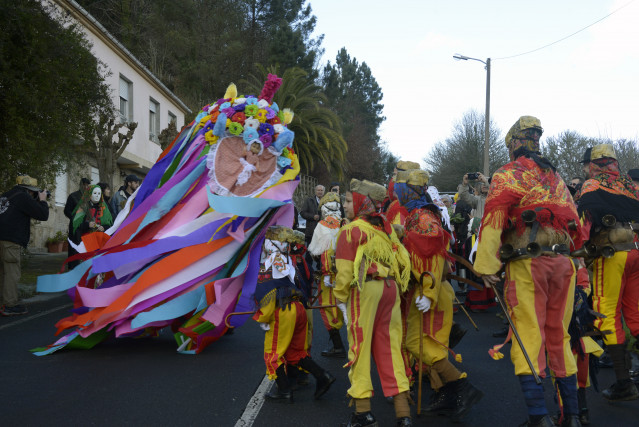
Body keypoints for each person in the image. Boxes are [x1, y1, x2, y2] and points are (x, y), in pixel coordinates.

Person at [474, 116, 585, 427]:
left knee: (528, 335)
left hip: (529, 262)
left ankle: (539, 417)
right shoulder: (555, 176)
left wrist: (485, 265)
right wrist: (578, 264)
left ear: (513, 143)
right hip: (564, 262)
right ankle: (572, 416)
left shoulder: (508, 173)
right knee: (559, 336)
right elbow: (574, 221)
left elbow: (494, 216)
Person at [395, 169, 482, 423]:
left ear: (410, 190)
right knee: (423, 346)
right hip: (423, 291)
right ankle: (445, 393)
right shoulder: (417, 215)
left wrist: (428, 292)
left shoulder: (424, 217)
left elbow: (433, 256)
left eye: (401, 187)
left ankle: (460, 387)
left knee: (422, 345)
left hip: (430, 292)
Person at [334, 178, 413, 427]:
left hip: (365, 290)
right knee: (390, 349)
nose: (345, 205)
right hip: (390, 289)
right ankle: (403, 415)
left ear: (360, 201)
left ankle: (363, 413)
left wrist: (340, 298)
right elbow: (402, 258)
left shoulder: (351, 229)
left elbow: (345, 272)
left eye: (348, 200)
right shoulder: (385, 227)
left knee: (358, 347)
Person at [575, 143, 639, 402]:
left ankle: (624, 383)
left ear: (593, 163)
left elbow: (583, 222)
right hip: (636, 252)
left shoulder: (591, 186)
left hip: (612, 255)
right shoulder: (630, 186)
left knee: (608, 314)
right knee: (635, 313)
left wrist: (578, 252)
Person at [252, 226, 335, 403]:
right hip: (299, 308)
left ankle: (284, 390)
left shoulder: (271, 261)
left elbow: (269, 291)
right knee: (295, 352)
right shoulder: (290, 260)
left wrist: (263, 317)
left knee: (272, 354)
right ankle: (322, 376)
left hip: (283, 310)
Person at [0, 175, 50, 315]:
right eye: (34, 192)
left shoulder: (6, 195)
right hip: (10, 241)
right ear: (29, 190)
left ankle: (3, 302)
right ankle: (9, 305)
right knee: (11, 273)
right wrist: (43, 200)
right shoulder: (23, 197)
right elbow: (42, 214)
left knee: (2, 272)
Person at [307, 192, 346, 358]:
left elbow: (325, 252)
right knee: (347, 307)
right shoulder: (344, 223)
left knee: (328, 307)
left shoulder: (323, 224)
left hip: (330, 274)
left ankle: (338, 346)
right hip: (346, 273)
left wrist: (327, 272)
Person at [70, 185, 114, 253]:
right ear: (89, 194)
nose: (97, 196)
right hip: (87, 240)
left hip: (101, 240)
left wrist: (104, 227)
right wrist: (87, 225)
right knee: (89, 260)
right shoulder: (83, 207)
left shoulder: (104, 208)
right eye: (95, 193)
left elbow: (110, 224)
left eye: (99, 194)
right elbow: (76, 225)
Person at [64, 177, 90, 270]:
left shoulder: (89, 197)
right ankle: (72, 269)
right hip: (75, 227)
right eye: (84, 184)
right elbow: (66, 211)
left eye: (88, 185)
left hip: (87, 226)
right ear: (81, 185)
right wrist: (75, 218)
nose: (86, 186)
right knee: (74, 248)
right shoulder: (73, 196)